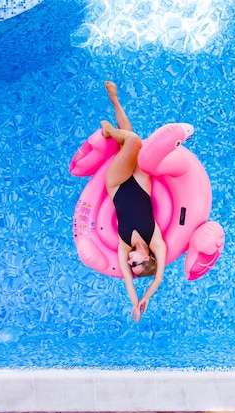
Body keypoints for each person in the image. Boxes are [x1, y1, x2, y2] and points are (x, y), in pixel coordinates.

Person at [102, 81, 167, 322]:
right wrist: (148, 296)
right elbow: (159, 277)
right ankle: (115, 100)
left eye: (131, 264)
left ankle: (111, 130)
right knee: (130, 141)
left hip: (117, 183)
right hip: (139, 180)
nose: (130, 262)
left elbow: (128, 280)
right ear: (148, 258)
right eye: (136, 263)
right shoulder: (156, 241)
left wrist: (134, 302)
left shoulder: (123, 245)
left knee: (132, 141)